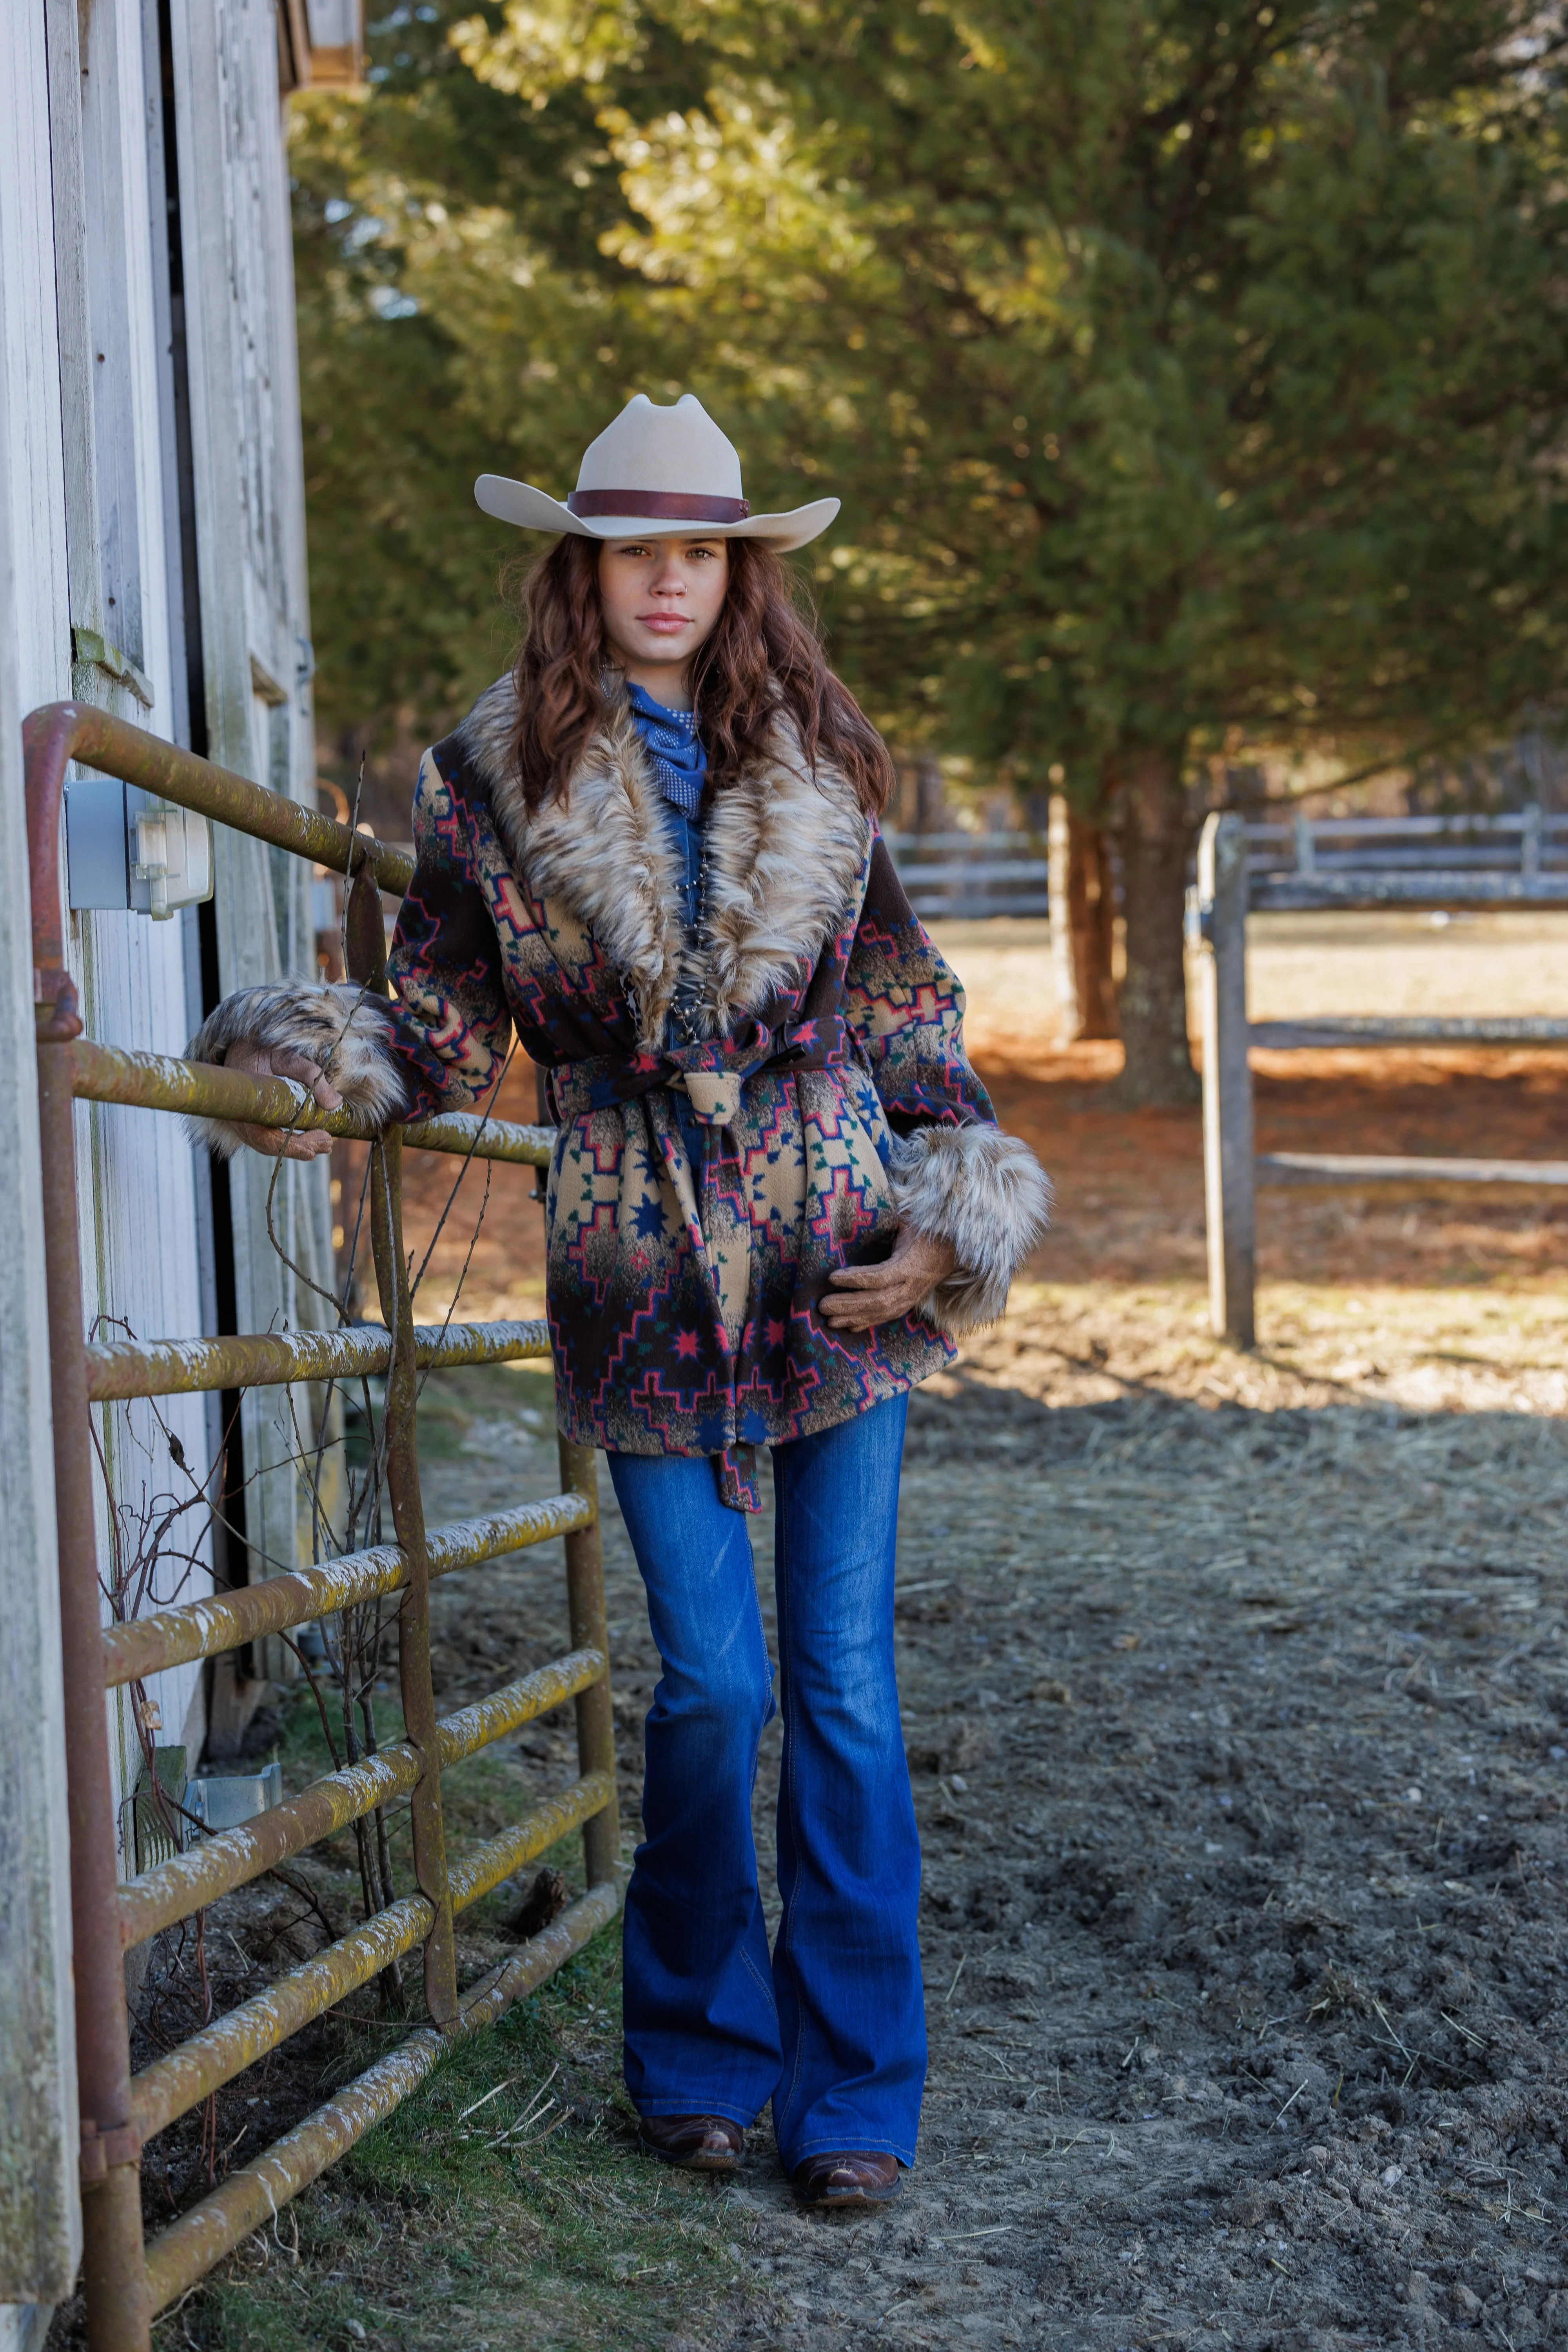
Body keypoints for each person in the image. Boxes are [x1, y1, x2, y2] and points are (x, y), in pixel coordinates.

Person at [190, 394, 1051, 2209]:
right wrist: (319, 1058)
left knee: (842, 1689)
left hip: (838, 1254)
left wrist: (954, 1209)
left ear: (744, 571)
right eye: (635, 548)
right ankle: (695, 2052)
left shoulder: (824, 752)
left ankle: (853, 2099)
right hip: (635, 1249)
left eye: (703, 549)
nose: (670, 578)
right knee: (709, 1685)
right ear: (582, 566)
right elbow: (435, 1015)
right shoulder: (487, 779)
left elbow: (902, 1009)